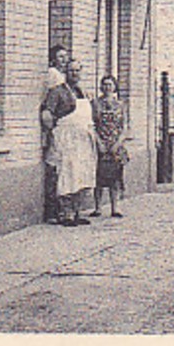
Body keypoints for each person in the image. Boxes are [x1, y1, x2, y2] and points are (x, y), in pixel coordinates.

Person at [42, 60, 99, 226]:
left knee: (82, 175)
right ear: (65, 72)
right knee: (66, 174)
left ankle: (77, 212)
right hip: (66, 140)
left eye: (77, 71)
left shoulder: (82, 92)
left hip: (83, 141)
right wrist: (54, 133)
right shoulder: (57, 92)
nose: (74, 74)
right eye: (71, 71)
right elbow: (47, 114)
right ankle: (64, 214)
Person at [91, 75, 129, 219]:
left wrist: (118, 143)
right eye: (105, 85)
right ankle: (98, 207)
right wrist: (98, 142)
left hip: (115, 145)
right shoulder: (95, 104)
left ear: (114, 87)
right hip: (100, 144)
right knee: (99, 177)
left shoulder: (120, 105)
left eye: (110, 85)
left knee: (115, 178)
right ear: (101, 87)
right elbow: (92, 125)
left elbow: (124, 127)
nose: (107, 87)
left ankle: (115, 207)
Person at [41, 46, 69, 223]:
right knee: (54, 168)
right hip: (55, 129)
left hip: (62, 129)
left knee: (59, 169)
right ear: (53, 59)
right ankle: (51, 210)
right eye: (60, 57)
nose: (64, 60)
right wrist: (52, 129)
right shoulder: (54, 76)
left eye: (66, 57)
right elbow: (50, 107)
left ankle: (58, 209)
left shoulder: (61, 77)